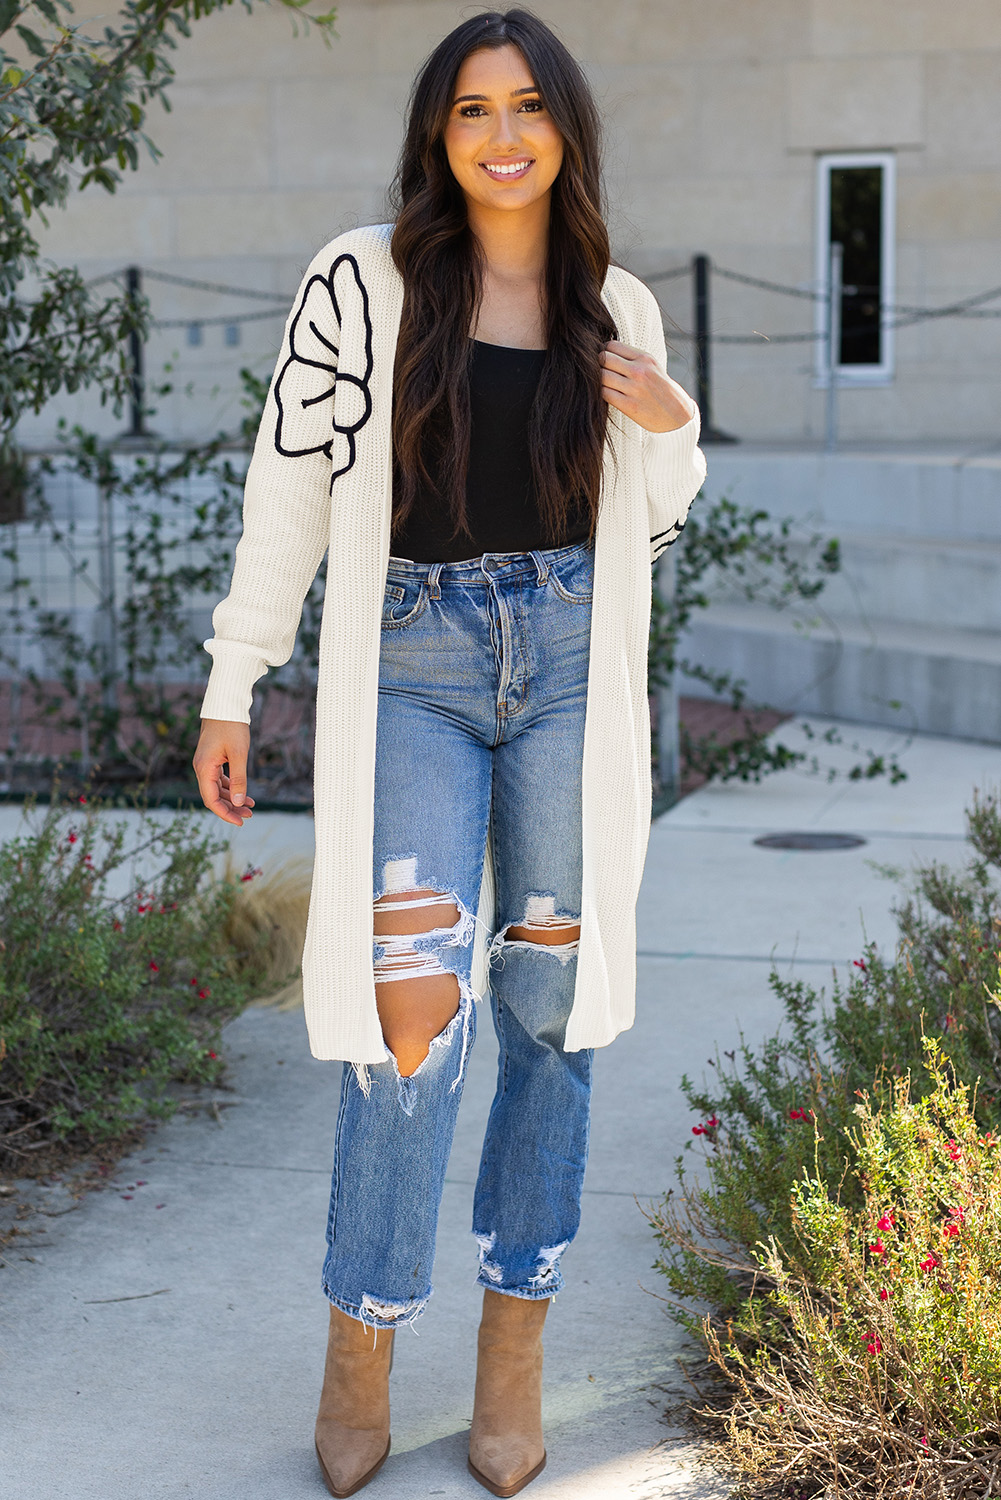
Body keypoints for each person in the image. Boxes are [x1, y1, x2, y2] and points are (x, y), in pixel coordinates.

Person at [193, 9, 706, 1496]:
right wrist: (239, 677)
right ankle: (363, 1342)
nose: (500, 134)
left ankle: (513, 1345)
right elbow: (288, 483)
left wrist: (673, 424)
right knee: (408, 1005)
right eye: (472, 108)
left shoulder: (613, 306)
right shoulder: (360, 283)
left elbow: (655, 518)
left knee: (548, 1003)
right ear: (438, 132)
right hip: (409, 659)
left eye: (528, 107)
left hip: (562, 660)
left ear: (564, 132)